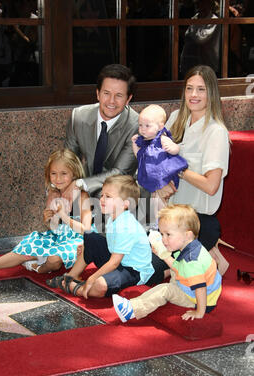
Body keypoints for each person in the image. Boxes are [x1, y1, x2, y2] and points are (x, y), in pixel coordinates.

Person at [148, 64, 230, 286]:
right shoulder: (176, 118)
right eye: (189, 88)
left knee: (153, 272)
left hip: (197, 222)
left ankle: (207, 258)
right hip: (168, 217)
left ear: (211, 93)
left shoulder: (216, 131)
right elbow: (159, 158)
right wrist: (161, 183)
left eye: (201, 89)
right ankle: (207, 258)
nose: (194, 95)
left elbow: (211, 186)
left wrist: (179, 169)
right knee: (139, 260)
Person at [0, 149, 93, 279]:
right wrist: (48, 221)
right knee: (25, 248)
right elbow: (55, 228)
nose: (58, 178)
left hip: (78, 241)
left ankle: (40, 266)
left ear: (74, 174)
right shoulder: (53, 194)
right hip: (58, 239)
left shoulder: (82, 196)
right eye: (53, 173)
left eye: (64, 173)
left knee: (54, 259)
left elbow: (86, 230)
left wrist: (64, 216)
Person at [46, 175, 154, 298]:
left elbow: (114, 262)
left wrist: (93, 277)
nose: (102, 199)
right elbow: (95, 237)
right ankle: (71, 276)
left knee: (100, 284)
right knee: (90, 236)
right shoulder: (113, 217)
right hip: (119, 260)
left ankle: (79, 289)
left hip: (133, 270)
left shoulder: (125, 226)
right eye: (102, 195)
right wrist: (88, 247)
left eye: (108, 197)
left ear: (124, 204)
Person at [113, 204, 222, 323]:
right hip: (195, 287)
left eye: (168, 234)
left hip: (198, 299)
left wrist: (200, 312)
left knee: (165, 289)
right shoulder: (190, 247)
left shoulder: (192, 261)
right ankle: (172, 289)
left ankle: (131, 310)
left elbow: (200, 289)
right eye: (162, 234)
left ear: (187, 235)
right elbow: (179, 268)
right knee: (174, 269)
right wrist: (163, 254)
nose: (163, 239)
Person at [64, 64, 139, 198]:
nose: (111, 101)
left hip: (120, 196)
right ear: (98, 94)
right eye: (106, 93)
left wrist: (81, 184)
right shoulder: (79, 116)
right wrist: (54, 188)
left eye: (119, 96)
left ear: (128, 99)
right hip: (83, 191)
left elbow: (121, 172)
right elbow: (68, 161)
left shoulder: (136, 126)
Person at [132, 104, 188, 229]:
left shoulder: (162, 139)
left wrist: (173, 148)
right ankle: (156, 222)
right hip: (153, 176)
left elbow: (176, 149)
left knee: (160, 200)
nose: (142, 129)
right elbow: (139, 157)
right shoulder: (145, 141)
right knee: (154, 198)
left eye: (147, 125)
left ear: (160, 126)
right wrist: (135, 146)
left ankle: (162, 222)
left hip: (164, 175)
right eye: (140, 125)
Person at [180, 0, 221, 77]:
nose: (199, 5)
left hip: (208, 65)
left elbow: (200, 39)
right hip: (190, 65)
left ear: (209, 4)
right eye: (198, 3)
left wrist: (195, 24)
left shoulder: (214, 20)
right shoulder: (195, 18)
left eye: (203, 3)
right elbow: (187, 36)